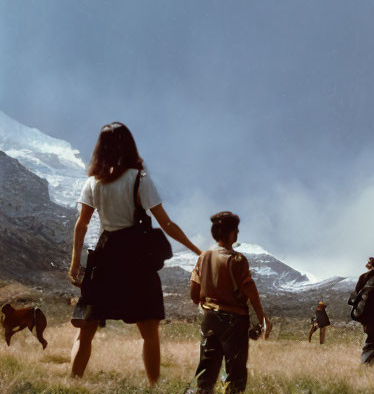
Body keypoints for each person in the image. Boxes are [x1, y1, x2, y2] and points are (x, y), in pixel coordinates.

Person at [68, 122, 201, 385]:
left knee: (86, 328)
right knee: (149, 329)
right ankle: (153, 387)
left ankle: (71, 384)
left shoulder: (93, 182)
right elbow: (167, 224)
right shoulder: (139, 179)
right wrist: (198, 251)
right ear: (129, 145)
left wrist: (74, 264)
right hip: (135, 258)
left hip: (105, 257)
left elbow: (81, 225)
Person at [189, 211, 270, 393]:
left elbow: (194, 295)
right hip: (235, 322)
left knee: (205, 373)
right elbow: (251, 291)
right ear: (233, 233)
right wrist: (262, 318)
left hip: (209, 319)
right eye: (236, 230)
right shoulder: (238, 260)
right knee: (235, 375)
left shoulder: (204, 257)